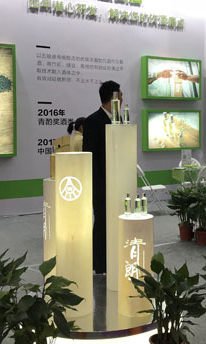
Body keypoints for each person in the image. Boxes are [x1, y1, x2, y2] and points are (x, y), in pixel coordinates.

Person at [83, 81, 122, 274]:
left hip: (119, 182)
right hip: (101, 184)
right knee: (102, 222)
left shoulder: (119, 120)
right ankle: (99, 265)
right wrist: (98, 186)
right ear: (113, 97)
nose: (122, 99)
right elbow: (90, 157)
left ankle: (115, 258)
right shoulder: (93, 121)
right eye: (120, 95)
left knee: (117, 222)